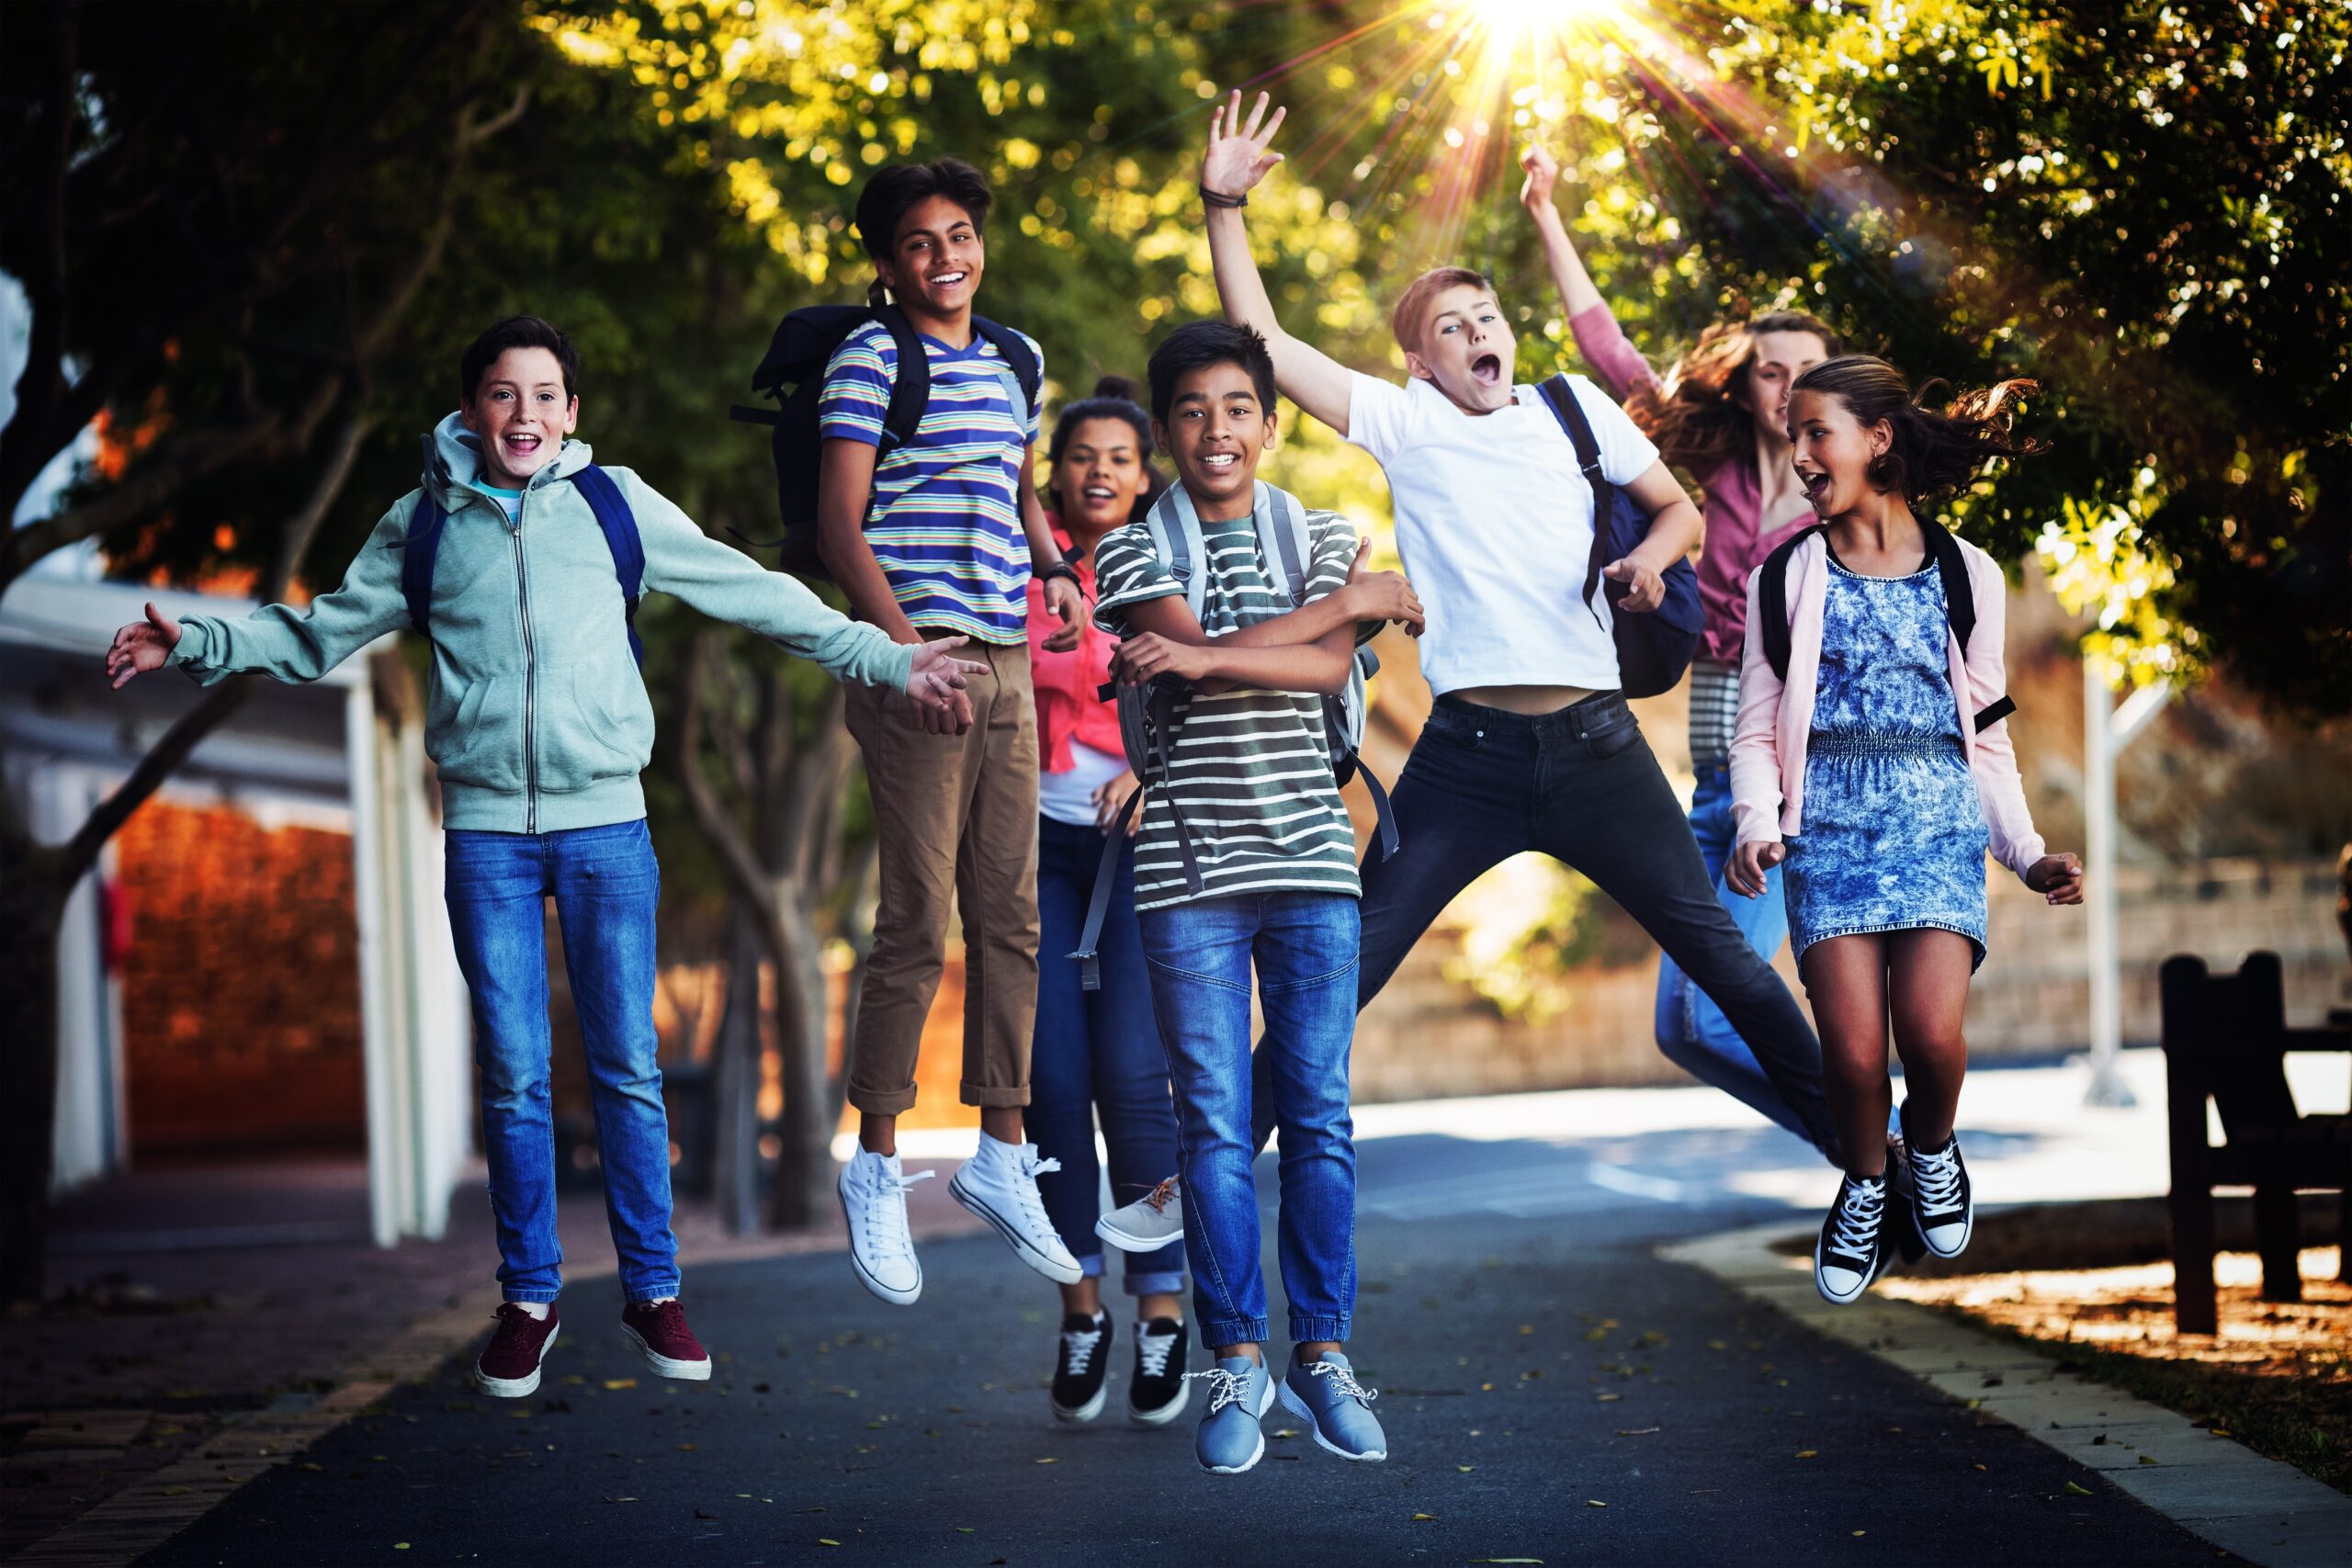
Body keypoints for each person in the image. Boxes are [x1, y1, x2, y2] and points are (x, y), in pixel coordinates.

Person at [103, 315, 984, 1397]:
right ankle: (529, 1299)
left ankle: (654, 1293)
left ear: (574, 411)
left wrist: (889, 659)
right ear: (473, 411)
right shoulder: (422, 525)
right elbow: (316, 633)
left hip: (607, 826)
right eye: (503, 395)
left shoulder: (613, 504)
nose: (525, 414)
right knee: (515, 1075)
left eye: (546, 395)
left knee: (628, 1067)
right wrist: (194, 642)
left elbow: (751, 591)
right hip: (485, 838)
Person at [1193, 92, 1843, 1169]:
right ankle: (1196, 1175)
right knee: (1347, 966)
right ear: (1418, 363)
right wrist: (1223, 206)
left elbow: (1678, 509)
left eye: (1483, 317)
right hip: (1468, 760)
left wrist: (1644, 560)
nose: (1473, 335)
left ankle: (1868, 1154)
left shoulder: (1572, 408)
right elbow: (1263, 343)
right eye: (1446, 329)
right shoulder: (1403, 425)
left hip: (1596, 748)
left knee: (1726, 964)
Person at [1094, 320, 1423, 1475]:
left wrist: (1212, 657)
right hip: (1186, 872)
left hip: (1313, 866)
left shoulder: (1323, 530)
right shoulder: (1132, 551)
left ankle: (1323, 1358)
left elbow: (1325, 672)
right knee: (1216, 1129)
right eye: (1190, 411)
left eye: (1236, 407)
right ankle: (1237, 1363)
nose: (1215, 430)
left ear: (1270, 423)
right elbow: (1196, 643)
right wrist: (1337, 609)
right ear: (1167, 429)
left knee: (1320, 1117)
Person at [1726, 355, 2084, 1304]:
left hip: (1936, 826)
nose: (1800, 454)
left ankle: (1929, 1149)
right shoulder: (1783, 578)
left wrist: (2025, 854)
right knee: (1848, 1056)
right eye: (1792, 436)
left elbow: (1990, 743)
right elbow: (1757, 725)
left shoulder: (1968, 574)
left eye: (1816, 433)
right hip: (1829, 837)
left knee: (1927, 1040)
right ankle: (1865, 1179)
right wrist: (1756, 823)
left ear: (1876, 440)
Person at [1520, 141, 1839, 1145]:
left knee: (1705, 1014)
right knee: (1679, 1029)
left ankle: (1873, 1150)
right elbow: (1609, 352)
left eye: (1807, 374)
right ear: (1744, 388)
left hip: (1786, 790)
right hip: (1703, 784)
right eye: (1770, 371)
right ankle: (1869, 1149)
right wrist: (1546, 219)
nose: (1787, 388)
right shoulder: (1702, 476)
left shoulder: (1855, 512)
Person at [817, 158, 1090, 1306]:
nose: (946, 257)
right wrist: (896, 654)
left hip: (1008, 655)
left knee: (1011, 915)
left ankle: (1000, 1150)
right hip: (912, 652)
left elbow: (1009, 484)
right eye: (920, 242)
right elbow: (840, 521)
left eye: (962, 235)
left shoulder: (1016, 360)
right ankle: (875, 1164)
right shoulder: (873, 358)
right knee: (918, 920)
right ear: (888, 263)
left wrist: (1055, 567)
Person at [1024, 376, 1190, 1427]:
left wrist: (1153, 766)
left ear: (1143, 478)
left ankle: (1163, 1311)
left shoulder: (1171, 572)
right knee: (1047, 1083)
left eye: (1119, 458)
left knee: (1134, 1080)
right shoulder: (1021, 570)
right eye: (1080, 455)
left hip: (1137, 848)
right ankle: (1080, 1308)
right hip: (1032, 849)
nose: (1098, 471)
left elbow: (1209, 691)